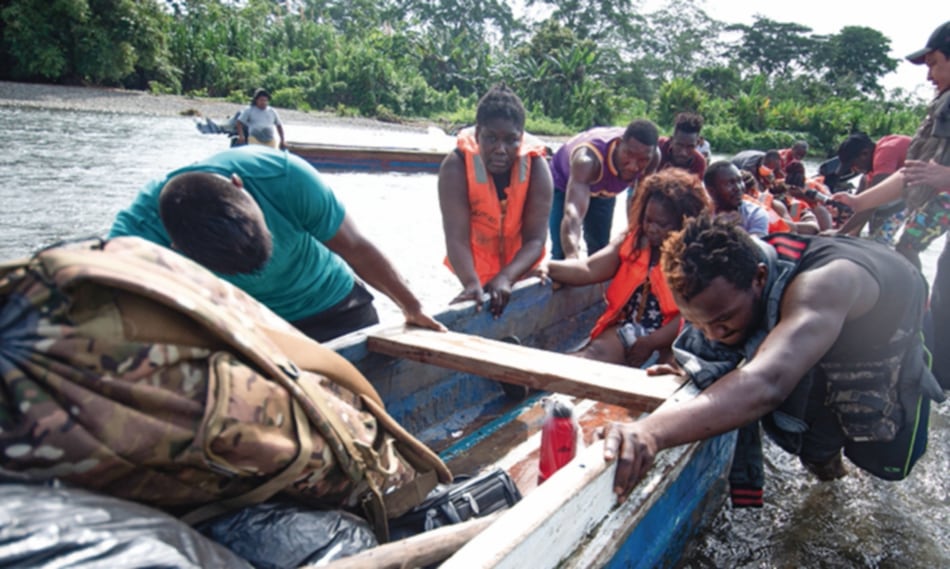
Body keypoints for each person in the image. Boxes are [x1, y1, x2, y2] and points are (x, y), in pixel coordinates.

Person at [604, 214, 945, 497]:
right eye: (697, 324)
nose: (713, 335)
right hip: (815, 322)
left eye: (723, 321)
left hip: (880, 328)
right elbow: (710, 332)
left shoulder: (822, 285)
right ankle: (829, 484)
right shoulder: (723, 274)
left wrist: (652, 431)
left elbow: (768, 382)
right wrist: (686, 368)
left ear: (761, 277)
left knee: (876, 445)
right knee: (815, 440)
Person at [109, 145, 445, 342]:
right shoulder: (136, 237)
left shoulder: (284, 177)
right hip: (249, 328)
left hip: (334, 307)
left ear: (240, 186)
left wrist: (411, 307)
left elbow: (355, 246)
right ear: (177, 247)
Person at [831, 20, 950, 388]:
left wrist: (947, 179)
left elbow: (931, 176)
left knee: (911, 253)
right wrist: (858, 200)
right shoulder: (942, 106)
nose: (928, 75)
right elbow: (914, 173)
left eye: (934, 63)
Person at [539, 169, 710, 368]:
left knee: (670, 369)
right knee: (594, 353)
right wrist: (546, 266)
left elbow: (689, 317)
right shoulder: (632, 240)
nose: (652, 229)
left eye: (662, 224)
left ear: (684, 222)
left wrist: (652, 342)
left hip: (672, 338)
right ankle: (528, 379)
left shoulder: (695, 257)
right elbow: (588, 269)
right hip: (628, 329)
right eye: (648, 220)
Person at [437, 85, 553, 318]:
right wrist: (471, 283)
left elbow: (535, 239)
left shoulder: (537, 167)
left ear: (520, 138)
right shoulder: (455, 167)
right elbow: (456, 238)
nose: (500, 150)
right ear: (478, 133)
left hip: (521, 271)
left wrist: (506, 277)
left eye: (511, 140)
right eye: (491, 138)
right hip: (476, 272)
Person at [548, 120, 660, 260]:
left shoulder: (653, 159)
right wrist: (571, 257)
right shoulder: (587, 161)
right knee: (561, 251)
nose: (633, 166)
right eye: (629, 155)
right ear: (618, 145)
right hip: (565, 183)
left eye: (642, 160)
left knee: (599, 250)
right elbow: (573, 213)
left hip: (605, 189)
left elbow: (640, 203)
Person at [833, 131, 912, 243]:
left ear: (864, 154)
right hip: (908, 191)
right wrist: (852, 233)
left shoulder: (885, 153)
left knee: (879, 242)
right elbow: (865, 199)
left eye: (854, 165)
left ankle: (881, 241)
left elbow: (871, 203)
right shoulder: (871, 168)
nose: (854, 170)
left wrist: (839, 233)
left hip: (931, 192)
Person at [704, 160, 769, 237]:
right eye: (730, 183)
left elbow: (755, 246)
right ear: (711, 191)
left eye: (739, 181)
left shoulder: (755, 214)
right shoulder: (701, 216)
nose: (738, 188)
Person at [657, 112, 707, 178]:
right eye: (679, 145)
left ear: (697, 143)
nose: (683, 153)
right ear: (671, 140)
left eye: (690, 147)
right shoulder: (657, 147)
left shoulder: (699, 163)